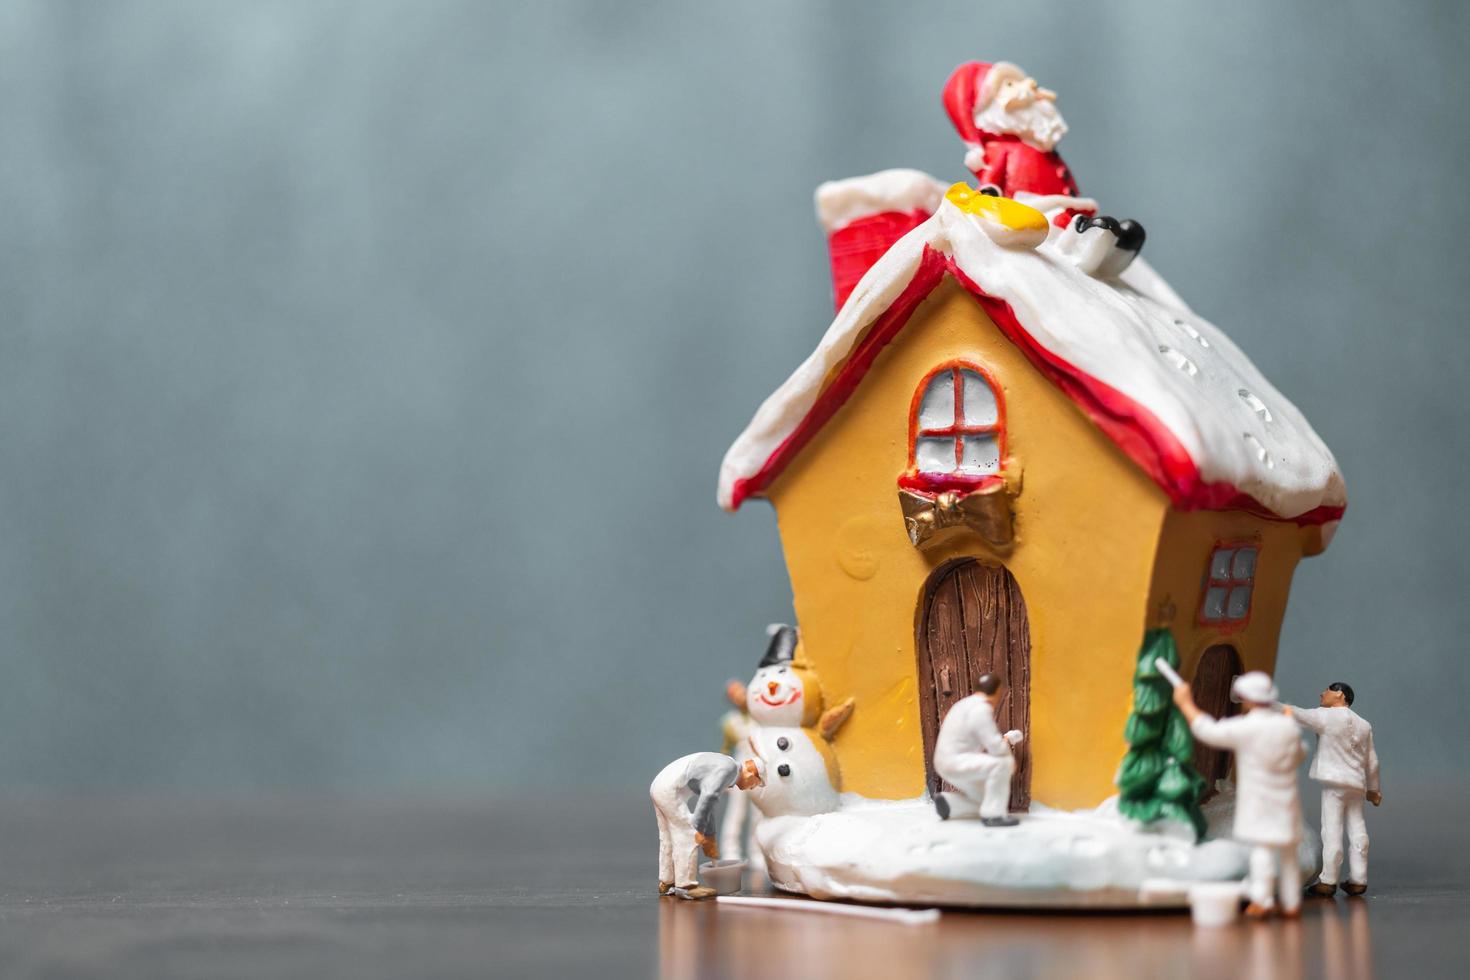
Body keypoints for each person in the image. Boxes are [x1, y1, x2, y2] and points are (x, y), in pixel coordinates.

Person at [1173, 671, 1306, 919]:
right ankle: (1291, 903)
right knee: (1288, 854)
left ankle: (1263, 900)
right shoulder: (1287, 727)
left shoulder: (1247, 727)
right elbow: (1300, 755)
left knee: (1262, 852)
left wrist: (1186, 704)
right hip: (1287, 801)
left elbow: (1208, 731)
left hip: (1260, 802)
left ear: (1246, 699)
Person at [1287, 682, 1381, 897]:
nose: (1321, 693)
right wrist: (1374, 789)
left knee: (1332, 830)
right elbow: (1372, 761)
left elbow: (1295, 714)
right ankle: (1359, 878)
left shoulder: (1325, 716)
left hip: (1334, 784)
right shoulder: (1364, 724)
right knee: (1358, 829)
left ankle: (1328, 880)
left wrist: (1264, 703)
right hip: (1357, 784)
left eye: (1327, 690)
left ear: (1339, 694)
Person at [649, 752, 763, 899]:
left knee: (667, 835)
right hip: (669, 789)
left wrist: (710, 836)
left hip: (660, 785)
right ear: (751, 773)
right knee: (688, 834)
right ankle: (686, 886)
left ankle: (667, 881)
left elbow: (708, 803)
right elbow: (709, 797)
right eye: (757, 783)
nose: (753, 787)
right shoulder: (728, 770)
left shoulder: (727, 765)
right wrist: (699, 828)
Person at [932, 673, 1024, 827]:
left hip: (945, 762)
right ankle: (994, 816)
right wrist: (1009, 761)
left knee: (986, 798)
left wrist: (1006, 740)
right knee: (1003, 764)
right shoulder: (981, 709)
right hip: (956, 761)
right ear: (996, 692)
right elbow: (994, 746)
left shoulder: (964, 704)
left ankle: (950, 804)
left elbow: (983, 738)